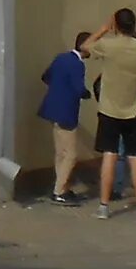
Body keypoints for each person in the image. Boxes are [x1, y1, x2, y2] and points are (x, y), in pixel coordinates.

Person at [86, 7, 136, 218]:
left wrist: (104, 29)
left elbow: (85, 47)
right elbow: (135, 44)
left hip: (110, 110)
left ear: (116, 25)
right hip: (135, 110)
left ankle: (103, 207)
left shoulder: (108, 46)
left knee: (110, 157)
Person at [37, 30, 94, 203]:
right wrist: (87, 94)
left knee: (60, 152)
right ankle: (60, 191)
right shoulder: (78, 65)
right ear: (86, 46)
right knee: (70, 154)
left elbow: (46, 76)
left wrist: (58, 89)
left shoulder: (61, 58)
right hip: (67, 111)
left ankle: (61, 186)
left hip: (52, 109)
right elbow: (79, 88)